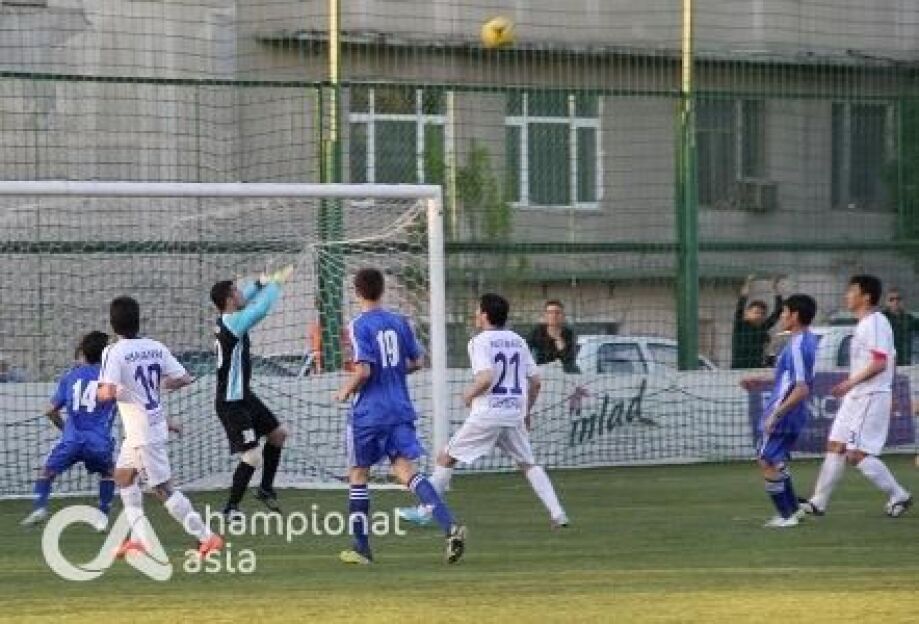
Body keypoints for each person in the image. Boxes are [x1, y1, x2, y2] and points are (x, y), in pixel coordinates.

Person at [398, 293, 568, 529]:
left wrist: (469, 394)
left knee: (446, 457)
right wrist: (526, 411)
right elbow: (536, 382)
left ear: (485, 315)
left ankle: (425, 511)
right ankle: (558, 513)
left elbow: (486, 377)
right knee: (528, 464)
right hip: (514, 413)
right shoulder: (518, 340)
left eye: (478, 310)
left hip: (488, 413)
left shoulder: (479, 342)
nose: (475, 314)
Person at [333, 267, 465, 565]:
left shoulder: (358, 325)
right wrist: (392, 371)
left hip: (369, 413)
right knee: (407, 472)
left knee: (358, 475)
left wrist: (344, 390)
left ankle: (361, 549)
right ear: (382, 290)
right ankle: (449, 526)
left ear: (357, 292)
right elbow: (417, 361)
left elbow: (364, 371)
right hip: (399, 408)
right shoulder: (399, 322)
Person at [97, 296, 223, 558]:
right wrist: (158, 386)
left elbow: (106, 393)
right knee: (123, 477)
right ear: (138, 320)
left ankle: (207, 537)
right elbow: (184, 378)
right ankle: (140, 539)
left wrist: (97, 393)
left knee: (163, 489)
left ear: (113, 323)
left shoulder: (113, 351)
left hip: (142, 433)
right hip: (147, 425)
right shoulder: (155, 347)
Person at [799, 275, 912, 518]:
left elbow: (880, 363)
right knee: (835, 445)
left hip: (870, 395)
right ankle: (818, 502)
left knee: (856, 454)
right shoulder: (864, 324)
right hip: (857, 395)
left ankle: (899, 495)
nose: (847, 295)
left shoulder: (875, 322)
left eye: (852, 291)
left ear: (866, 297)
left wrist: (850, 382)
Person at [210, 266, 291, 517]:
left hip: (243, 396)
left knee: (278, 434)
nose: (241, 293)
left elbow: (245, 299)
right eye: (236, 291)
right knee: (253, 455)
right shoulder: (234, 323)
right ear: (229, 300)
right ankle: (230, 508)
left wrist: (259, 283)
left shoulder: (228, 317)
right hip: (231, 403)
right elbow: (260, 310)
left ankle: (265, 489)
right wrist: (275, 284)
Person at [21, 332, 116, 529]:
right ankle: (102, 517)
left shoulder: (71, 376)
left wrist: (65, 429)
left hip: (71, 439)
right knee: (109, 473)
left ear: (84, 353)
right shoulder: (111, 378)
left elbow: (50, 410)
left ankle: (39, 508)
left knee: (47, 472)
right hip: (98, 441)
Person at [740, 295, 818, 528]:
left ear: (795, 316)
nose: (782, 316)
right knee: (775, 459)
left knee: (766, 460)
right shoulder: (807, 340)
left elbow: (801, 388)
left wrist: (776, 414)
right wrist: (761, 380)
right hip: (793, 411)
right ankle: (794, 510)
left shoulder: (797, 345)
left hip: (784, 410)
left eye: (784, 312)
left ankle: (787, 515)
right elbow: (789, 378)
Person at [732, 275, 783, 369]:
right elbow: (740, 305)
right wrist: (748, 282)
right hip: (738, 370)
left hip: (756, 370)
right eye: (756, 312)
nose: (759, 316)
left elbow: (778, 312)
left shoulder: (762, 327)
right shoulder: (740, 326)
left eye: (762, 313)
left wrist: (775, 288)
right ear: (747, 313)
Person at [528, 300, 579, 373]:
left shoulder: (569, 333)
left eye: (557, 313)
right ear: (545, 316)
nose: (554, 316)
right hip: (542, 370)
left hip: (564, 371)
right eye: (550, 313)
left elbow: (569, 360)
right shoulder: (537, 331)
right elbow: (526, 350)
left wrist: (559, 340)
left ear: (563, 316)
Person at [882, 287, 918, 366]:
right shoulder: (881, 319)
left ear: (903, 301)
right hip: (886, 365)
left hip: (905, 364)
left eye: (898, 299)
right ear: (886, 302)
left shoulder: (909, 319)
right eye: (891, 299)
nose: (895, 302)